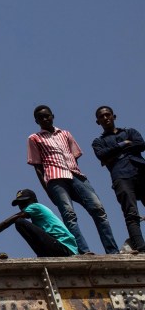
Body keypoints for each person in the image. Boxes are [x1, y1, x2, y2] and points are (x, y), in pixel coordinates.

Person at [28, 105, 118, 254]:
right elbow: (37, 166)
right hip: (55, 178)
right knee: (69, 215)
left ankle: (112, 250)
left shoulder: (65, 134)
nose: (45, 119)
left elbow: (74, 156)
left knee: (98, 209)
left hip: (76, 175)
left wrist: (76, 174)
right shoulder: (34, 138)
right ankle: (84, 251)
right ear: (36, 121)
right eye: (41, 117)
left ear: (52, 116)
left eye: (47, 116)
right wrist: (47, 189)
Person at [92, 106, 145, 254]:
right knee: (131, 213)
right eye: (101, 117)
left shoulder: (130, 132)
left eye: (108, 115)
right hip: (121, 177)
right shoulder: (98, 141)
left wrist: (114, 155)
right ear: (98, 122)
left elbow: (141, 144)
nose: (105, 118)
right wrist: (124, 144)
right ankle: (141, 247)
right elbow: (102, 154)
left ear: (114, 116)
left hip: (141, 170)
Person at [0, 189, 78, 257]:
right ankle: (43, 256)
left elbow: (7, 222)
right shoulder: (38, 215)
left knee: (19, 222)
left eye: (24, 202)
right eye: (19, 204)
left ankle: (42, 256)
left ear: (33, 200)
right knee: (22, 223)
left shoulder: (36, 206)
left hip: (64, 248)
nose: (21, 206)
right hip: (62, 248)